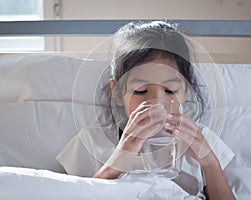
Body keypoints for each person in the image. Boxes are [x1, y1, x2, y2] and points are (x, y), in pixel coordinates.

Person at [57, 21, 235, 199]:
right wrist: (119, 159)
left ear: (186, 92)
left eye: (170, 90)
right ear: (117, 93)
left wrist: (210, 163)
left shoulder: (202, 140)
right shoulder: (92, 142)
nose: (157, 103)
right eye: (141, 91)